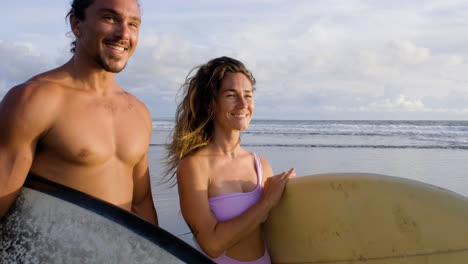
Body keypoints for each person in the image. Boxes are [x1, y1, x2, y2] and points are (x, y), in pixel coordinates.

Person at [0, 0, 158, 225]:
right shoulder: (34, 99)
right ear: (76, 24)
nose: (124, 33)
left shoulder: (138, 112)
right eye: (110, 18)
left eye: (133, 24)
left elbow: (141, 204)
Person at [165, 56, 295, 263]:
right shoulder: (194, 167)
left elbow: (275, 234)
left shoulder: (261, 165)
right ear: (211, 103)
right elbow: (212, 244)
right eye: (231, 95)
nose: (243, 104)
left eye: (248, 95)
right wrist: (267, 201)